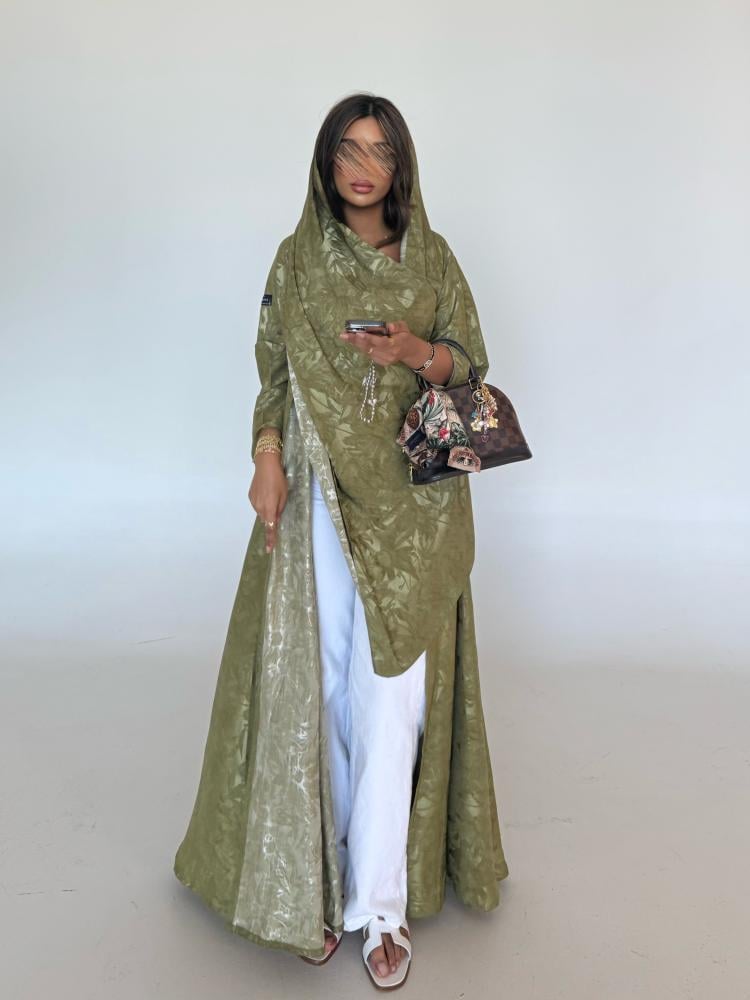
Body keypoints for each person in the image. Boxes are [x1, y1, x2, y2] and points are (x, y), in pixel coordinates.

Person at [173, 92, 509, 991]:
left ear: (402, 166)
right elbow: (275, 373)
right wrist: (266, 458)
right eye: (349, 150)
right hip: (320, 490)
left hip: (414, 504)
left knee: (392, 692)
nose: (364, 168)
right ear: (326, 161)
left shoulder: (432, 257)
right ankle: (315, 885)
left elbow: (470, 365)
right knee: (320, 682)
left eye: (381, 152)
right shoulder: (297, 259)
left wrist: (412, 352)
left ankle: (382, 906)